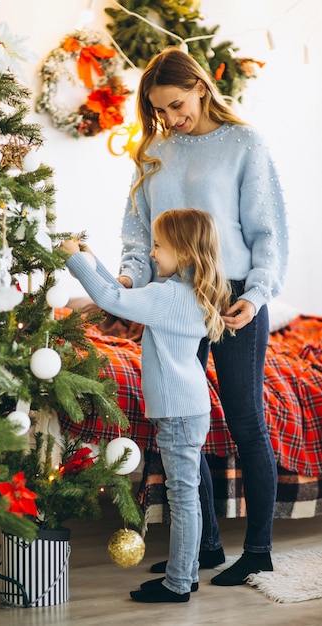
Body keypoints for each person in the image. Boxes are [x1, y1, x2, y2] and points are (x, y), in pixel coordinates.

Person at [118, 47, 289, 587]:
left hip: (234, 295)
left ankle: (258, 550)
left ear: (198, 85)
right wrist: (128, 280)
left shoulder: (245, 144)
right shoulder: (153, 149)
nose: (171, 118)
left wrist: (258, 295)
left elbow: (268, 233)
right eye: (160, 111)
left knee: (244, 418)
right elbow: (137, 233)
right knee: (179, 425)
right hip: (174, 298)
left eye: (175, 104)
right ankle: (204, 548)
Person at [61, 208, 232, 603]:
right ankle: (184, 575)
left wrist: (73, 261)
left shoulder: (167, 295)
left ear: (184, 253)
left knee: (183, 498)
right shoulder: (189, 293)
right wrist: (92, 261)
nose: (153, 254)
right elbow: (122, 296)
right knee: (185, 496)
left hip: (178, 413)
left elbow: (111, 299)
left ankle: (177, 584)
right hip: (189, 409)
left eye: (158, 246)